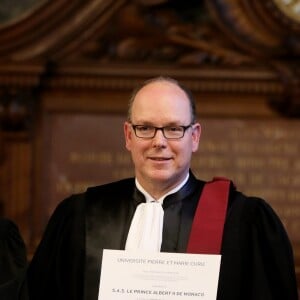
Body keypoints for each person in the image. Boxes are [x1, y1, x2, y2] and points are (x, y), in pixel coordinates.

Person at [25, 76, 298, 300]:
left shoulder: (243, 220)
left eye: (173, 129)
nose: (159, 141)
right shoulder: (81, 216)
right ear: (128, 136)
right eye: (145, 128)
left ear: (195, 136)